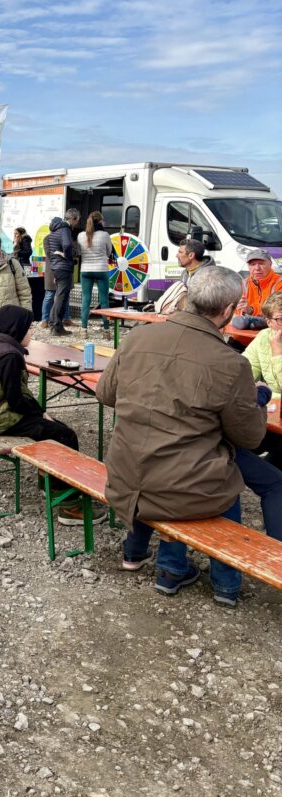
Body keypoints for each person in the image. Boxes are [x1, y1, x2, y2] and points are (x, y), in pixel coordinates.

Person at [96, 265, 282, 606]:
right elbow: (250, 438)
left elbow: (105, 394)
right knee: (226, 475)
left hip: (126, 475)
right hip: (181, 487)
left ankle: (163, 564)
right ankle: (226, 584)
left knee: (192, 463)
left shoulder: (138, 337)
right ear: (228, 311)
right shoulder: (229, 363)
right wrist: (256, 401)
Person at [0, 305, 104, 525]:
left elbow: (18, 394)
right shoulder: (9, 356)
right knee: (65, 435)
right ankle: (70, 507)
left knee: (55, 427)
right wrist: (40, 415)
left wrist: (41, 413)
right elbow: (16, 400)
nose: (32, 332)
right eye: (28, 327)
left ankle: (49, 482)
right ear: (17, 329)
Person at [243, 291, 282, 468]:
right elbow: (243, 372)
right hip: (272, 414)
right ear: (268, 322)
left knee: (271, 466)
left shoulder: (274, 343)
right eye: (280, 319)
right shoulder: (264, 337)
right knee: (235, 443)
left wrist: (278, 354)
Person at [153, 237, 215, 315]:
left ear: (191, 255)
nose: (176, 255)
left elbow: (204, 305)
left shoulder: (208, 276)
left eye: (180, 252)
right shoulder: (185, 273)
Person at [77, 211, 113, 339]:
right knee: (104, 300)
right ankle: (106, 331)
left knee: (85, 299)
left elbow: (80, 253)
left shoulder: (81, 236)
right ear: (100, 221)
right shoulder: (105, 235)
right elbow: (109, 252)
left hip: (86, 270)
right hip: (101, 270)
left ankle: (84, 330)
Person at [45, 208, 80, 336]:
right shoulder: (65, 229)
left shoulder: (55, 230)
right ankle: (56, 326)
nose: (77, 223)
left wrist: (57, 259)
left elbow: (51, 251)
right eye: (77, 220)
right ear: (73, 219)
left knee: (60, 296)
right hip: (63, 267)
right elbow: (67, 245)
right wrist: (68, 257)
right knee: (61, 297)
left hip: (56, 267)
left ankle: (54, 324)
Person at [232, 249, 282, 328]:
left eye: (261, 263)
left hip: (273, 332)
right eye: (253, 264)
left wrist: (252, 310)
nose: (257, 268)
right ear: (248, 266)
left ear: (270, 264)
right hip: (243, 332)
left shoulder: (279, 282)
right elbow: (234, 310)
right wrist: (242, 310)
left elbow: (278, 310)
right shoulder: (243, 284)